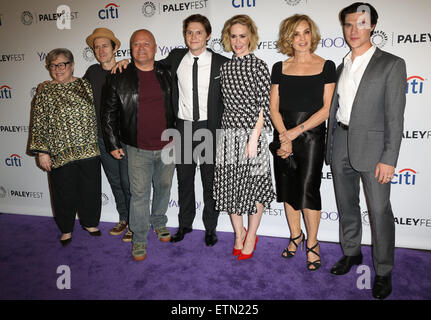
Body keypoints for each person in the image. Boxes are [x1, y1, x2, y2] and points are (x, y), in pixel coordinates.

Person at [113, 15, 228, 246]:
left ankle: (211, 228)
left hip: (209, 129)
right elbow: (146, 61)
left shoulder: (222, 63)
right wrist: (124, 60)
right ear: (185, 36)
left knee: (209, 182)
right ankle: (185, 225)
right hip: (183, 129)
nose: (193, 36)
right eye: (189, 32)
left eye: (198, 32)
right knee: (185, 181)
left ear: (208, 35)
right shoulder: (175, 58)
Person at [325, 2, 406, 299]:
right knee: (346, 206)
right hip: (340, 144)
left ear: (372, 26)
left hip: (374, 151)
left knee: (380, 212)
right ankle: (351, 253)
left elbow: (395, 118)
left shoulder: (392, 64)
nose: (353, 30)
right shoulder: (340, 65)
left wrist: (389, 158)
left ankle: (383, 271)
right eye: (348, 24)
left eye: (361, 23)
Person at [269, 15, 336, 271]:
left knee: (308, 188)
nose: (302, 39)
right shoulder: (279, 67)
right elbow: (274, 108)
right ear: (289, 38)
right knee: (287, 188)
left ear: (312, 35)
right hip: (284, 135)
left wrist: (295, 132)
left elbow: (327, 108)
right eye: (296, 34)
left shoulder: (326, 66)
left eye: (306, 32)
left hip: (311, 137)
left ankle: (313, 243)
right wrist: (284, 136)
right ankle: (295, 236)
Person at [102, 29, 175, 261]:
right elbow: (108, 113)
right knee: (140, 194)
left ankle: (159, 222)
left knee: (163, 189)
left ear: (155, 48)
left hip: (169, 145)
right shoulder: (118, 76)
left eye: (146, 43)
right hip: (136, 148)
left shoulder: (168, 72)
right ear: (130, 49)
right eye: (136, 44)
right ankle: (140, 238)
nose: (141, 48)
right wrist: (112, 142)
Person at [213, 14, 274, 260]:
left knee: (254, 188)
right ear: (228, 38)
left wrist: (253, 138)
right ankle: (239, 233)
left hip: (252, 134)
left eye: (243, 36)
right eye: (234, 36)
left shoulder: (258, 65)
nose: (238, 41)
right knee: (230, 188)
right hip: (228, 133)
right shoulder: (225, 68)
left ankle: (252, 235)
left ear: (251, 37)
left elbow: (264, 105)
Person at [29, 48, 101, 246]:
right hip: (60, 152)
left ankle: (90, 223)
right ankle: (66, 228)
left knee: (90, 188)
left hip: (88, 149)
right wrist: (42, 152)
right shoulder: (44, 91)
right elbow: (39, 123)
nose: (58, 69)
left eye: (62, 64)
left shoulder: (85, 85)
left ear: (72, 65)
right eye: (53, 65)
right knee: (63, 191)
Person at [84, 28, 132, 242]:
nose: (101, 50)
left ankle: (134, 222)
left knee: (129, 181)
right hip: (102, 139)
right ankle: (124, 218)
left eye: (105, 45)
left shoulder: (127, 69)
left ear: (115, 48)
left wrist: (129, 62)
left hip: (126, 138)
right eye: (97, 47)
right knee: (115, 181)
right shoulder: (92, 72)